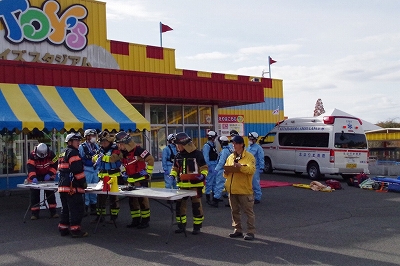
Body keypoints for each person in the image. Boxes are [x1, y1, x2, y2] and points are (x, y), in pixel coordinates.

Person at [169, 132, 208, 235]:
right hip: (182, 185)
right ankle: (181, 226)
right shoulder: (178, 155)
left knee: (196, 206)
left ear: (184, 144)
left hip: (195, 186)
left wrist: (202, 176)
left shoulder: (197, 154)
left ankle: (197, 227)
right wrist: (172, 175)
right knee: (180, 206)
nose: (177, 147)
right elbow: (175, 168)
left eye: (178, 145)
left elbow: (204, 167)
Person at [115, 131, 154, 229]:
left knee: (143, 200)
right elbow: (123, 164)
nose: (119, 147)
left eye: (120, 144)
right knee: (132, 201)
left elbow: (151, 160)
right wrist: (123, 171)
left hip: (140, 179)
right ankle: (135, 220)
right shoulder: (123, 153)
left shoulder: (139, 150)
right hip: (130, 180)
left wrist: (148, 173)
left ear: (126, 143)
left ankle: (145, 220)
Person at [224, 135, 256, 241]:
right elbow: (226, 174)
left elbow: (251, 170)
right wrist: (226, 172)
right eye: (233, 143)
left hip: (244, 190)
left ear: (241, 144)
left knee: (248, 211)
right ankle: (237, 229)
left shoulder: (249, 157)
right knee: (234, 211)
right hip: (232, 189)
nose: (234, 145)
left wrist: (240, 167)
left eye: (236, 143)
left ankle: (250, 231)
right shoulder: (230, 157)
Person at [57, 132, 88, 238]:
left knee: (65, 209)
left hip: (62, 186)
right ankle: (75, 230)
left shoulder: (62, 153)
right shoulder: (74, 153)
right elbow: (77, 170)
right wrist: (83, 182)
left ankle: (63, 228)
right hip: (72, 187)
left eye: (79, 141)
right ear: (70, 142)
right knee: (77, 209)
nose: (79, 143)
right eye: (77, 141)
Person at [91, 130, 122, 224]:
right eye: (101, 142)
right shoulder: (100, 149)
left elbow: (113, 159)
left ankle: (114, 217)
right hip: (102, 177)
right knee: (100, 198)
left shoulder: (115, 148)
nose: (103, 143)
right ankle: (100, 216)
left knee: (113, 198)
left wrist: (101, 158)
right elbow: (93, 159)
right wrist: (98, 158)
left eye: (105, 141)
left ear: (109, 141)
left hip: (113, 176)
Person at [26, 143, 58, 220]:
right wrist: (33, 177)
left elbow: (55, 164)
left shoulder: (51, 154)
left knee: (50, 193)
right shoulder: (32, 155)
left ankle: (53, 212)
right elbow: (30, 168)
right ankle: (35, 214)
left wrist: (50, 174)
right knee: (34, 195)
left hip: (47, 175)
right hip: (36, 175)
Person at [78, 129, 99, 215]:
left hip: (95, 170)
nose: (94, 137)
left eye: (94, 135)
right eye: (92, 135)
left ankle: (94, 207)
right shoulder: (82, 147)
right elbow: (80, 158)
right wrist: (87, 162)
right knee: (86, 189)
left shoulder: (96, 146)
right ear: (87, 136)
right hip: (87, 170)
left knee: (95, 190)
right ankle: (85, 207)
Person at [211, 136, 232, 207]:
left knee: (219, 185)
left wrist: (216, 169)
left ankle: (215, 200)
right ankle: (231, 202)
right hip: (229, 169)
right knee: (228, 186)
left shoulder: (224, 151)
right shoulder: (230, 149)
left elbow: (221, 162)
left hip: (222, 170)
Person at [247, 132, 265, 204]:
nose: (250, 140)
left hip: (255, 168)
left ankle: (257, 197)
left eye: (252, 139)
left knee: (255, 183)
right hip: (248, 167)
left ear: (255, 140)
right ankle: (249, 197)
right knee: (248, 184)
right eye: (249, 138)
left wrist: (261, 167)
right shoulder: (248, 147)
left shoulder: (258, 148)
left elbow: (261, 158)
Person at [202, 131, 219, 205]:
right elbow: (206, 157)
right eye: (214, 137)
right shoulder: (207, 146)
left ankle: (214, 196)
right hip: (211, 165)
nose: (215, 138)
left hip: (215, 164)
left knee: (215, 181)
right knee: (209, 182)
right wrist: (208, 166)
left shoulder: (213, 145)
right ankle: (208, 197)